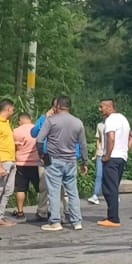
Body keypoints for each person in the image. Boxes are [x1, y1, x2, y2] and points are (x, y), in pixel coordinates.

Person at [40, 95, 88, 232]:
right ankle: (77, 221)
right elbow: (83, 144)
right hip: (71, 161)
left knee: (54, 191)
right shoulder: (78, 122)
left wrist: (41, 156)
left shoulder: (51, 121)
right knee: (73, 192)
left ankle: (55, 221)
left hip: (54, 160)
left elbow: (39, 139)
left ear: (58, 106)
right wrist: (85, 162)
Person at [96, 98, 132, 228]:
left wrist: (107, 155)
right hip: (121, 157)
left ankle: (113, 218)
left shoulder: (110, 120)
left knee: (109, 188)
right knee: (113, 187)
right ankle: (111, 215)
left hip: (112, 158)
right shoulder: (123, 119)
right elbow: (131, 136)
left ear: (109, 107)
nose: (100, 110)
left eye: (101, 107)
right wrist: (125, 150)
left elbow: (111, 138)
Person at [13, 111, 41, 219]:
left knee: (20, 188)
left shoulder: (16, 131)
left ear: (21, 120)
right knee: (40, 189)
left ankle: (20, 212)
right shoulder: (38, 130)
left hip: (21, 164)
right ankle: (42, 210)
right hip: (36, 163)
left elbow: (14, 147)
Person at [88, 117, 106, 207]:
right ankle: (95, 195)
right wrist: (97, 152)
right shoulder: (100, 125)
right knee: (99, 174)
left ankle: (113, 194)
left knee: (110, 175)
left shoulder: (115, 123)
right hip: (101, 152)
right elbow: (98, 139)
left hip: (112, 153)